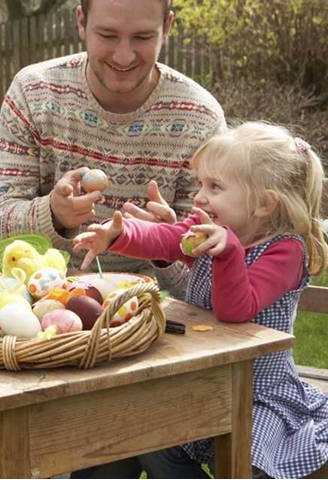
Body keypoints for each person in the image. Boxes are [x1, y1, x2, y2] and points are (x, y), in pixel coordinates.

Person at [72, 121, 328, 478]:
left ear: (264, 204)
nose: (200, 197)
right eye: (201, 184)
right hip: (199, 379)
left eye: (215, 186)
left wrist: (228, 253)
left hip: (255, 393)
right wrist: (119, 233)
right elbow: (164, 238)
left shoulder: (285, 251)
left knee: (247, 460)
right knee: (150, 438)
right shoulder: (210, 229)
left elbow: (237, 310)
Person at [0, 0, 226, 295]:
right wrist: (53, 214)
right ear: (81, 22)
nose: (123, 56)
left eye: (142, 37)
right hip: (42, 303)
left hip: (151, 314)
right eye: (108, 36)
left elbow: (211, 279)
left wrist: (165, 246)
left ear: (167, 28)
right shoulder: (33, 93)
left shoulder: (200, 119)